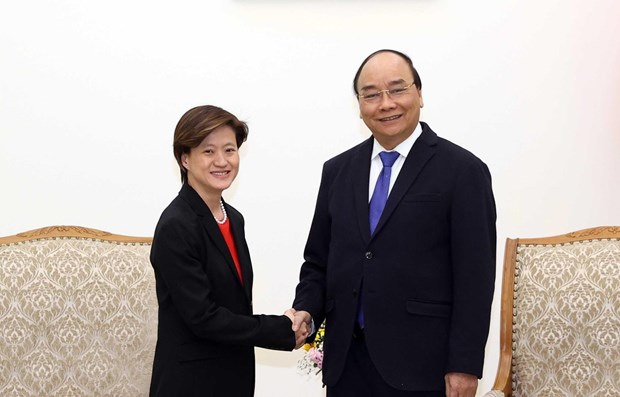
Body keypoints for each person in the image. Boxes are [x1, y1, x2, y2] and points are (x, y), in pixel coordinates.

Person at [291, 50, 496, 397]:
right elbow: (318, 262)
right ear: (359, 105)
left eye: (397, 90)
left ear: (419, 93)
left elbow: (475, 278)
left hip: (423, 367)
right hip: (347, 365)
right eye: (371, 94)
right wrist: (306, 311)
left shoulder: (463, 171)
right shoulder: (338, 171)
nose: (385, 103)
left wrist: (464, 364)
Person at [149, 105, 308, 397]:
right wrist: (280, 329)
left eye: (229, 150)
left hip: (233, 375)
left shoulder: (233, 218)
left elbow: (234, 305)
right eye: (208, 151)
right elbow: (203, 318)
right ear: (185, 158)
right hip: (191, 382)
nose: (221, 161)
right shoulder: (176, 225)